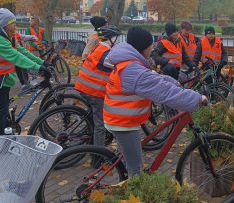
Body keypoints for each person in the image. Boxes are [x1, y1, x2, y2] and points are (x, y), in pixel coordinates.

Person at [103, 26, 208, 176]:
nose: (152, 48)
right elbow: (165, 93)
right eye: (150, 45)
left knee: (129, 158)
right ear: (142, 47)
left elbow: (154, 77)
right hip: (123, 123)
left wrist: (174, 83)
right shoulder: (133, 70)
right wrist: (197, 98)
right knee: (136, 170)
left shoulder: (130, 63)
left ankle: (126, 180)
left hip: (119, 119)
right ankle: (133, 196)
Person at [0, 8, 52, 134]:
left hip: (5, 79)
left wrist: (42, 62)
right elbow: (16, 56)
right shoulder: (1, 40)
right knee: (2, 110)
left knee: (4, 107)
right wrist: (38, 68)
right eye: (12, 23)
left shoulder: (9, 37)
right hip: (1, 80)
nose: (15, 26)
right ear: (4, 26)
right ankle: (3, 138)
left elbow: (22, 51)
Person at [74, 26, 121, 155]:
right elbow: (119, 66)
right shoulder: (106, 53)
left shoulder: (99, 47)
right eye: (117, 38)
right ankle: (98, 157)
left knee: (94, 120)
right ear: (111, 39)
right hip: (94, 92)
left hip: (84, 87)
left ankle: (92, 143)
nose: (118, 41)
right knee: (100, 125)